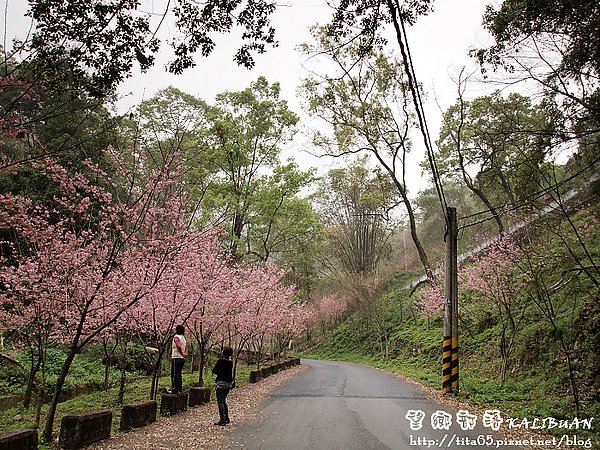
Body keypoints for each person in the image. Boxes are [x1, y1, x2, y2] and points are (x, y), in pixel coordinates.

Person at [212, 346, 234, 426]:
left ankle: (222, 419)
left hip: (221, 383)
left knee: (220, 401)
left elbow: (214, 371)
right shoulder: (230, 362)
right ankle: (227, 418)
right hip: (228, 384)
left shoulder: (220, 361)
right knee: (224, 400)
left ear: (223, 353)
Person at [170, 324, 188, 394]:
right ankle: (180, 389)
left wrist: (181, 353)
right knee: (179, 374)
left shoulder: (176, 337)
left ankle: (175, 389)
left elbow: (178, 346)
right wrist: (185, 354)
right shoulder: (183, 338)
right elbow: (186, 347)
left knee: (174, 374)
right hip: (182, 359)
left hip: (176, 357)